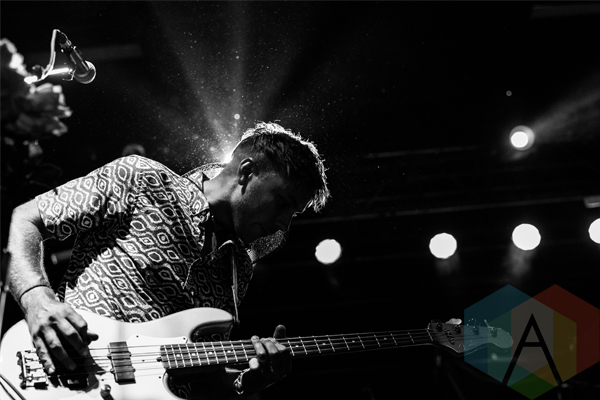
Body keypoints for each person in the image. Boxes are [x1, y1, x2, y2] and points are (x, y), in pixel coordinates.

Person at [6, 121, 330, 399]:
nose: (284, 224)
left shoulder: (238, 269)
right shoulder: (142, 180)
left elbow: (200, 380)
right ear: (247, 171)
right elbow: (26, 219)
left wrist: (248, 383)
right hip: (59, 373)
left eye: (293, 214)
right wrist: (37, 300)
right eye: (282, 202)